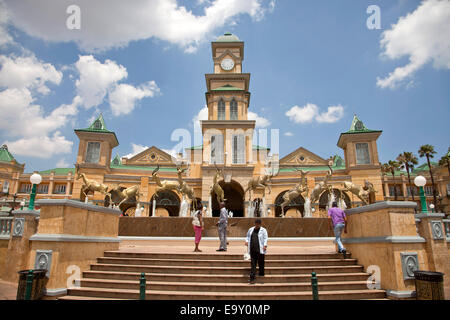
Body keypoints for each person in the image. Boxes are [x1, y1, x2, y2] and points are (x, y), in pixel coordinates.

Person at [245, 218, 268, 284]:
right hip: (252, 249)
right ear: (255, 223)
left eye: (258, 224)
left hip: (260, 249)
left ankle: (261, 273)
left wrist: (265, 245)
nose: (257, 225)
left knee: (261, 262)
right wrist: (246, 241)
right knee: (253, 264)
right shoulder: (251, 229)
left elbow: (265, 238)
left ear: (260, 224)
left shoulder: (263, 230)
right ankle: (252, 277)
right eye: (256, 224)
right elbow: (248, 236)